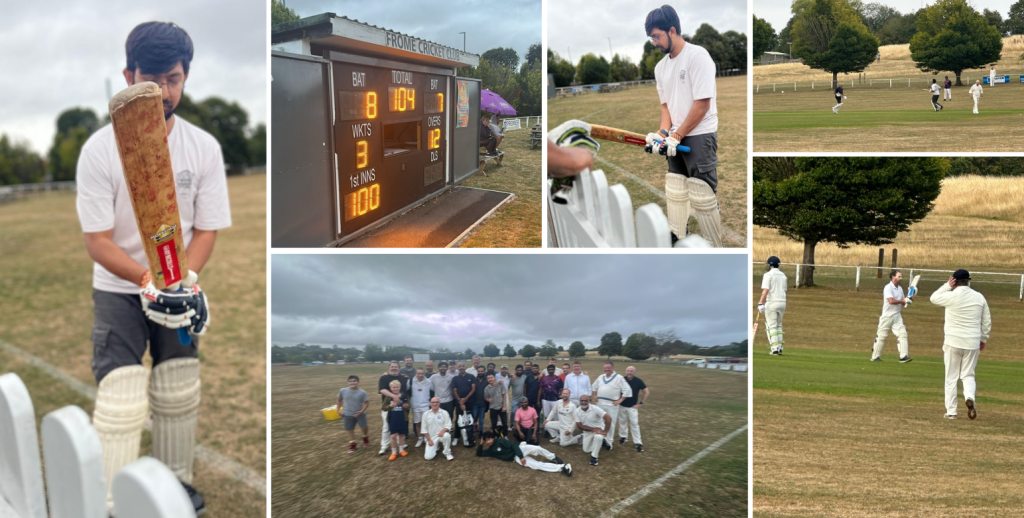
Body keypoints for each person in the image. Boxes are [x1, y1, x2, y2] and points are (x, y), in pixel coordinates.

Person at [76, 21, 227, 512]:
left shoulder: (203, 148)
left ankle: (173, 486)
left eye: (173, 79)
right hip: (118, 289)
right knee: (121, 395)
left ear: (185, 78)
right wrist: (146, 280)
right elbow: (98, 241)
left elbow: (206, 230)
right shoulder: (99, 150)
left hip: (176, 289)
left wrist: (183, 280)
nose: (163, 92)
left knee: (178, 389)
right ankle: (110, 502)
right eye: (152, 80)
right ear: (129, 76)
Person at [643, 4, 723, 247]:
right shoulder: (660, 68)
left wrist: (676, 135)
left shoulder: (697, 56)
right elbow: (666, 107)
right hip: (674, 137)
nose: (654, 43)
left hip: (699, 134)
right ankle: (679, 238)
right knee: (676, 190)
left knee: (702, 194)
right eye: (651, 38)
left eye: (656, 36)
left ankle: (713, 245)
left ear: (672, 30)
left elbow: (702, 104)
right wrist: (662, 133)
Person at [930, 269, 991, 420]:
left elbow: (933, 298)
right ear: (968, 281)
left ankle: (951, 411)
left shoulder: (951, 295)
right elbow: (986, 322)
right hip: (972, 341)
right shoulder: (979, 297)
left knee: (951, 377)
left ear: (954, 282)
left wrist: (947, 286)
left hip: (953, 341)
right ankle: (969, 397)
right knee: (968, 374)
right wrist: (983, 339)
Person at [476, 431, 572, 476]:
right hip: (515, 458)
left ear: (493, 438)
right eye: (486, 441)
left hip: (519, 448)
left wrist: (521, 456)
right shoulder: (491, 451)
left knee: (537, 448)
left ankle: (553, 457)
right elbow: (479, 454)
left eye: (489, 439)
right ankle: (563, 467)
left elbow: (513, 446)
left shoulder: (500, 441)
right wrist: (481, 444)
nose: (487, 442)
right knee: (536, 465)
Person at [871, 270, 913, 363]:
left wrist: (909, 298)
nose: (901, 278)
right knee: (881, 336)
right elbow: (891, 301)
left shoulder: (900, 289)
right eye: (899, 276)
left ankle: (903, 357)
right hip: (887, 316)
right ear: (893, 277)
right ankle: (875, 356)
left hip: (897, 316)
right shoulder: (888, 287)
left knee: (903, 334)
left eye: (901, 276)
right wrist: (903, 301)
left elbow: (904, 303)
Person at [591, 361, 632, 451]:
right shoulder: (601, 377)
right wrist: (594, 395)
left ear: (612, 368)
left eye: (609, 368)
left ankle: (609, 442)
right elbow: (593, 386)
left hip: (611, 404)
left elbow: (627, 390)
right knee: (599, 422)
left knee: (610, 423)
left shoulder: (619, 377)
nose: (607, 369)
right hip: (600, 403)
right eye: (605, 368)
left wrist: (620, 400)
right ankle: (600, 439)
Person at [377, 361, 411, 455]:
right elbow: (382, 390)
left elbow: (405, 390)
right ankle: (384, 446)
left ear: (399, 368)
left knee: (401, 426)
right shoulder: (384, 377)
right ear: (389, 367)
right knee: (386, 427)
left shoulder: (403, 378)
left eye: (396, 367)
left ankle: (401, 445)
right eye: (392, 367)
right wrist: (394, 396)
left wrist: (405, 404)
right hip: (389, 407)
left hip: (401, 408)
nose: (394, 368)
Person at [758, 256, 788, 355]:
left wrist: (760, 303)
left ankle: (774, 349)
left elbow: (765, 290)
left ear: (769, 265)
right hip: (782, 302)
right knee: (779, 325)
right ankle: (780, 348)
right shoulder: (783, 275)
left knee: (771, 326)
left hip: (772, 302)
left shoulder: (768, 275)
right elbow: (784, 289)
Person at [575, 395, 612, 466]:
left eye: (585, 401)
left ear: (589, 401)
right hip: (588, 430)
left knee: (598, 437)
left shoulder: (595, 408)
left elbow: (608, 418)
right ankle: (602, 442)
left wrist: (605, 431)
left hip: (599, 429)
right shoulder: (577, 411)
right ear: (579, 401)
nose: (583, 402)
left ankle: (594, 457)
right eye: (582, 401)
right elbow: (579, 425)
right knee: (586, 450)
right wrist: (592, 429)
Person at [618, 366, 649, 452]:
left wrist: (641, 403)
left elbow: (646, 392)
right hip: (621, 406)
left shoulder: (638, 381)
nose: (629, 372)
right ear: (625, 371)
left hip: (632, 407)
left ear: (634, 372)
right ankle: (623, 437)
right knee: (622, 422)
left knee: (634, 424)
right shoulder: (621, 380)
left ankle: (638, 442)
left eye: (631, 371)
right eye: (628, 371)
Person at [337, 375, 370, 453]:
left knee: (364, 427)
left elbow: (366, 403)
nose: (352, 383)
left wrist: (361, 411)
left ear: (358, 382)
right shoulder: (343, 391)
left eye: (354, 381)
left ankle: (365, 437)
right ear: (348, 382)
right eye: (350, 381)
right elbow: (339, 400)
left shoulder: (362, 392)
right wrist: (338, 410)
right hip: (347, 414)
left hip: (360, 413)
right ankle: (353, 443)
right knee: (349, 429)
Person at [450, 362, 477, 447]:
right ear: (458, 368)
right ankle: (456, 437)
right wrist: (460, 401)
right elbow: (454, 390)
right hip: (459, 403)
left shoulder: (471, 376)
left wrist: (465, 399)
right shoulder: (455, 378)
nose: (461, 367)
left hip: (470, 402)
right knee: (458, 419)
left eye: (463, 366)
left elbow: (473, 389)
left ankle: (470, 435)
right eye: (460, 366)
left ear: (465, 367)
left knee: (470, 419)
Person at [384, 380, 410, 460]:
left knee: (401, 435)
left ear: (400, 387)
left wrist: (406, 406)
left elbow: (408, 405)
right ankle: (394, 452)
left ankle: (401, 450)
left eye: (397, 387)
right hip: (393, 419)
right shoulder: (388, 397)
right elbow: (383, 407)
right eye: (394, 387)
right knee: (393, 436)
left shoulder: (404, 396)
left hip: (402, 418)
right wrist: (390, 406)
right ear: (390, 388)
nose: (395, 389)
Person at [429, 361, 455, 433]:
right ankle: (439, 432)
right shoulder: (433, 377)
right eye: (441, 367)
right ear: (438, 368)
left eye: (444, 367)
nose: (443, 368)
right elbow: (428, 384)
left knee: (449, 417)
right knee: (439, 418)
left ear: (447, 368)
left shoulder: (451, 377)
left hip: (449, 401)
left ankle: (447, 431)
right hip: (438, 402)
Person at [410, 369, 433, 447]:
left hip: (425, 406)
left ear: (424, 374)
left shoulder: (428, 382)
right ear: (416, 374)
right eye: (419, 373)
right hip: (415, 406)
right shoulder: (411, 381)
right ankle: (420, 438)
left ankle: (427, 438)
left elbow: (433, 390)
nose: (420, 375)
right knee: (418, 423)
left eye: (422, 373)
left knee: (426, 423)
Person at [471, 366, 489, 439]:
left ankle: (480, 432)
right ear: (477, 371)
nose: (480, 372)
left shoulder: (487, 381)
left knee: (481, 419)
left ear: (484, 371)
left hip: (483, 404)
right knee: (473, 418)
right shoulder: (474, 380)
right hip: (474, 404)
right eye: (479, 371)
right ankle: (471, 432)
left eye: (482, 371)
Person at [508, 365, 527, 431]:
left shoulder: (524, 377)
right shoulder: (512, 378)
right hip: (514, 399)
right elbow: (507, 386)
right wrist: (510, 375)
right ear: (515, 371)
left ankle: (521, 424)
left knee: (521, 412)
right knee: (513, 412)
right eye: (518, 370)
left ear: (522, 371)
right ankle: (512, 424)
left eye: (520, 370)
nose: (519, 371)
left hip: (522, 399)